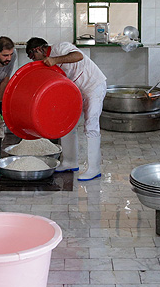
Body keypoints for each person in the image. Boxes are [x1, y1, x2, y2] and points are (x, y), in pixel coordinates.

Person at [25, 37, 107, 181]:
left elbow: (78, 56)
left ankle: (94, 169)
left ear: (38, 49)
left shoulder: (61, 47)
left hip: (93, 86)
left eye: (33, 56)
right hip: (76, 91)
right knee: (67, 124)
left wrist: (55, 60)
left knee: (91, 125)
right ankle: (70, 162)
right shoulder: (46, 64)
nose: (34, 60)